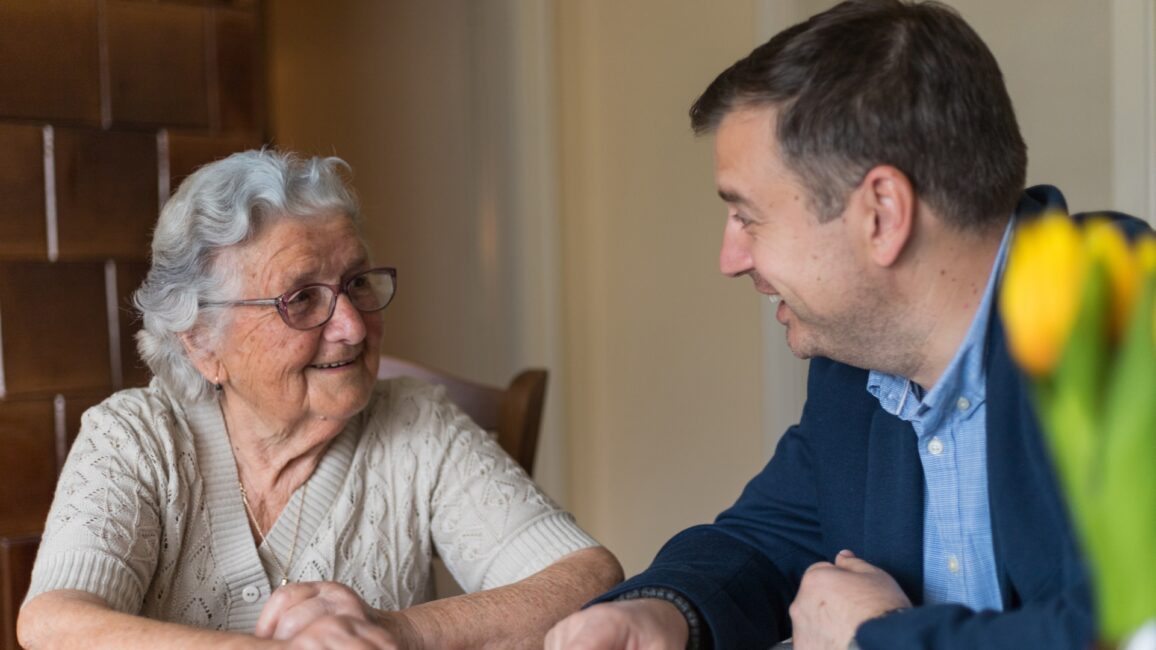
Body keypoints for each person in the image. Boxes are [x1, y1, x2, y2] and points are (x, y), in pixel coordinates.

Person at [546, 1, 1149, 649]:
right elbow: (767, 536)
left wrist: (876, 635)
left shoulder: (1120, 323)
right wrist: (660, 613)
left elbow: (1128, 632)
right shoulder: (858, 362)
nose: (730, 260)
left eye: (748, 217)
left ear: (882, 215)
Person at [18, 149, 623, 649]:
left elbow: (587, 577)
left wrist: (396, 631)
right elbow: (53, 624)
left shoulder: (417, 424)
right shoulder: (135, 439)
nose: (354, 327)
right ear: (203, 343)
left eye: (357, 284)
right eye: (301, 298)